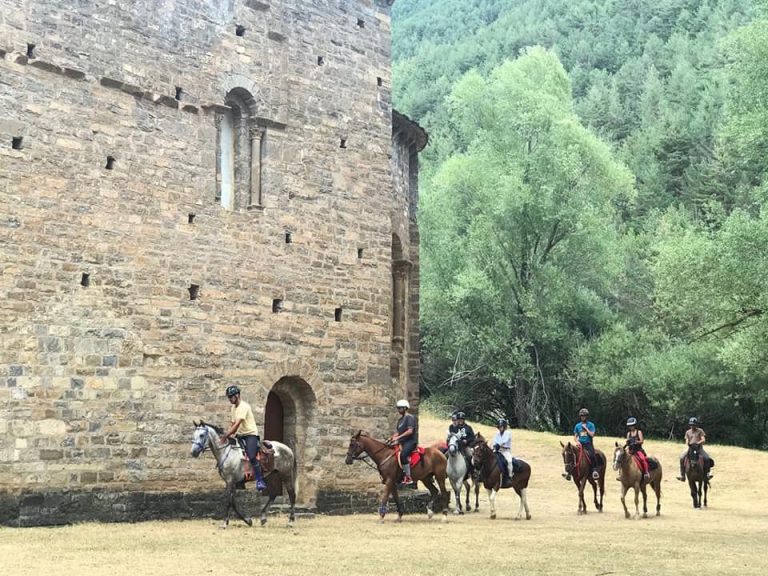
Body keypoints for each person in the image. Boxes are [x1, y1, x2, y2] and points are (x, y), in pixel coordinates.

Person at [224, 385, 267, 491]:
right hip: (240, 435)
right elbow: (232, 423)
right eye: (229, 397)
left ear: (237, 395)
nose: (230, 399)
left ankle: (259, 480)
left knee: (252, 456)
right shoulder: (233, 408)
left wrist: (226, 435)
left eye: (231, 397)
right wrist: (228, 434)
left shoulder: (244, 406)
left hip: (250, 435)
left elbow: (237, 425)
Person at [390, 399, 418, 486]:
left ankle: (408, 477)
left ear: (405, 408)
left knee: (403, 455)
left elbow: (410, 431)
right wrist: (392, 437)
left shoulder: (410, 418)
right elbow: (400, 431)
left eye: (400, 408)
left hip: (410, 441)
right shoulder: (400, 420)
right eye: (398, 408)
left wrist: (398, 437)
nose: (398, 410)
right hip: (402, 441)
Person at [677, 417, 713, 481]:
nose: (692, 426)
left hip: (699, 448)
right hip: (691, 448)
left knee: (706, 458)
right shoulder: (688, 432)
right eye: (691, 424)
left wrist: (697, 443)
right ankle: (682, 475)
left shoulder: (700, 431)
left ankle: (707, 473)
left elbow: (703, 440)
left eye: (693, 424)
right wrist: (688, 443)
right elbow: (687, 440)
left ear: (696, 425)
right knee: (682, 457)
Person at [573, 408, 600, 480]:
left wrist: (586, 429)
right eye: (582, 416)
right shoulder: (577, 426)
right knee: (572, 454)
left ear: (587, 416)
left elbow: (592, 435)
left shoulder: (591, 425)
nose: (583, 417)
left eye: (584, 416)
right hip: (580, 444)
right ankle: (570, 471)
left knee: (592, 455)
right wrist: (577, 441)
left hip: (588, 444)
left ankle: (594, 470)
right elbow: (575, 436)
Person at [625, 417, 650, 481]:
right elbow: (627, 441)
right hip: (630, 450)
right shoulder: (628, 433)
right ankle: (621, 474)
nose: (631, 427)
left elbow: (642, 441)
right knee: (622, 458)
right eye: (629, 426)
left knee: (643, 459)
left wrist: (636, 442)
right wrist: (627, 443)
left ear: (634, 425)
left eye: (632, 426)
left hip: (638, 450)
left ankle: (646, 473)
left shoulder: (639, 432)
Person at [492, 418, 514, 488]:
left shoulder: (508, 433)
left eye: (501, 426)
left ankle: (510, 476)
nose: (500, 428)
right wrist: (493, 446)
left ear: (504, 426)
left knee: (509, 461)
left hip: (505, 450)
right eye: (499, 427)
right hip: (498, 450)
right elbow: (494, 441)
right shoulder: (497, 434)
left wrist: (498, 445)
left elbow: (505, 441)